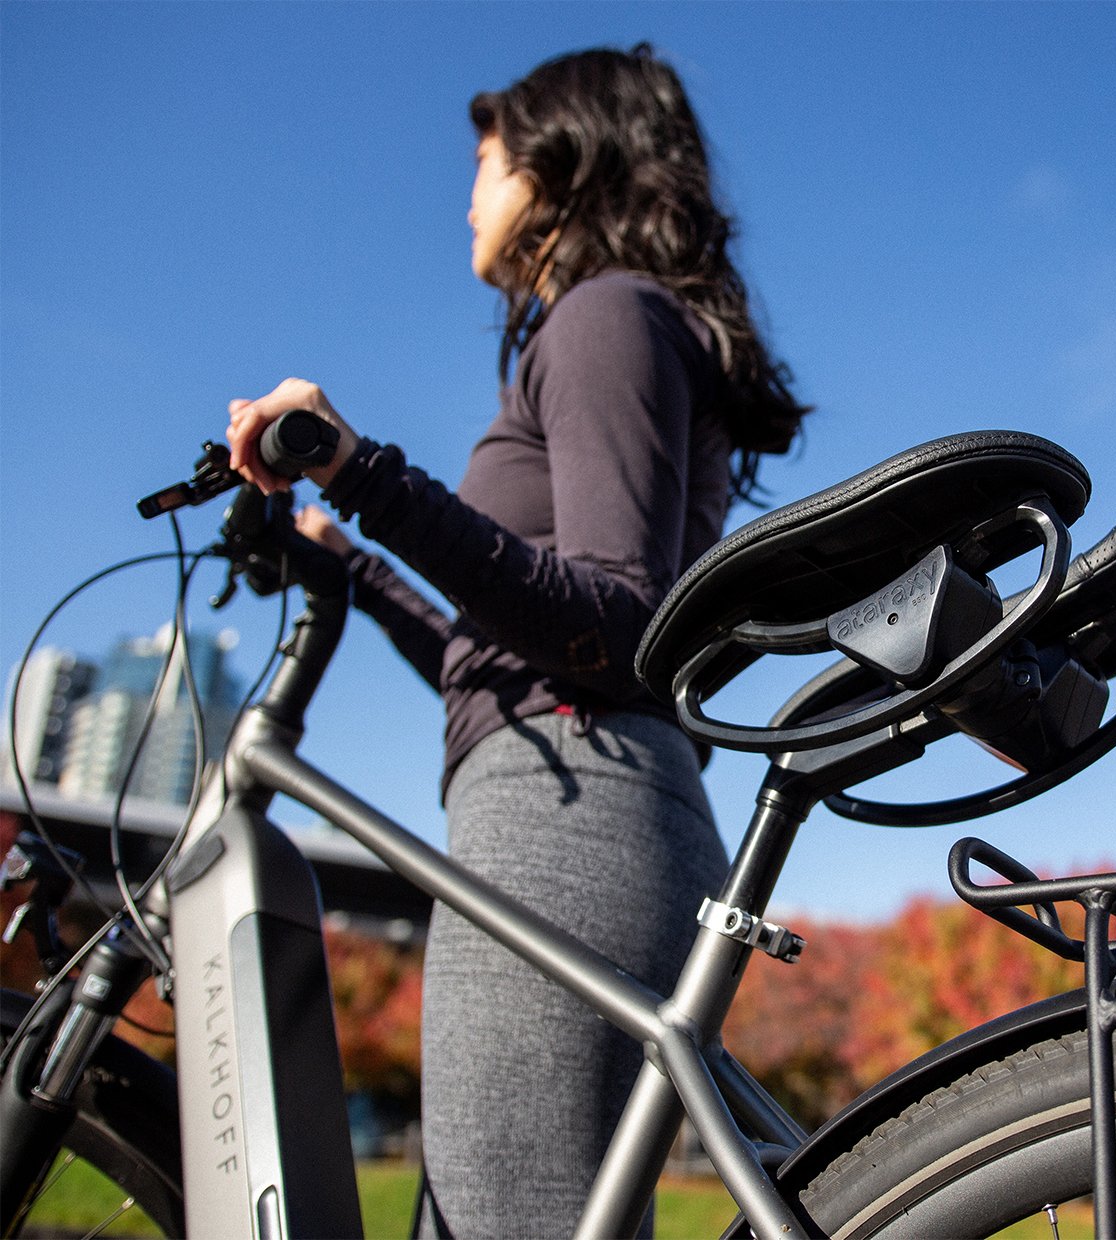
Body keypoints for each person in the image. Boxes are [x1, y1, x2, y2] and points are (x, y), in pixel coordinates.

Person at [226, 44, 808, 1238]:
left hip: (566, 814)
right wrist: (354, 563)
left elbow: (611, 618)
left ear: (559, 160)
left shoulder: (607, 317)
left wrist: (359, 468)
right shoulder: (611, 327)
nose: (473, 190)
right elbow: (500, 652)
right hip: (571, 792)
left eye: (488, 162)